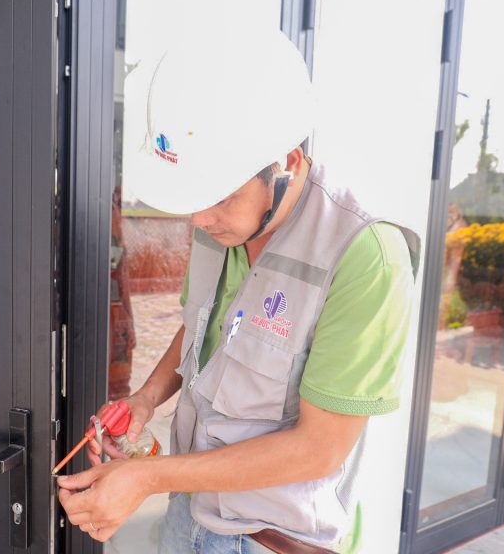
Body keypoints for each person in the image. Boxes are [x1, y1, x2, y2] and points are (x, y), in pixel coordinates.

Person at [57, 27, 420, 554]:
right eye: (192, 197)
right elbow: (202, 327)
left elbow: (319, 449)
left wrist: (145, 478)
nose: (199, 219)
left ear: (286, 163)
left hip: (269, 541)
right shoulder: (221, 225)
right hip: (189, 510)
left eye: (219, 196)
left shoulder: (365, 255)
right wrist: (146, 399)